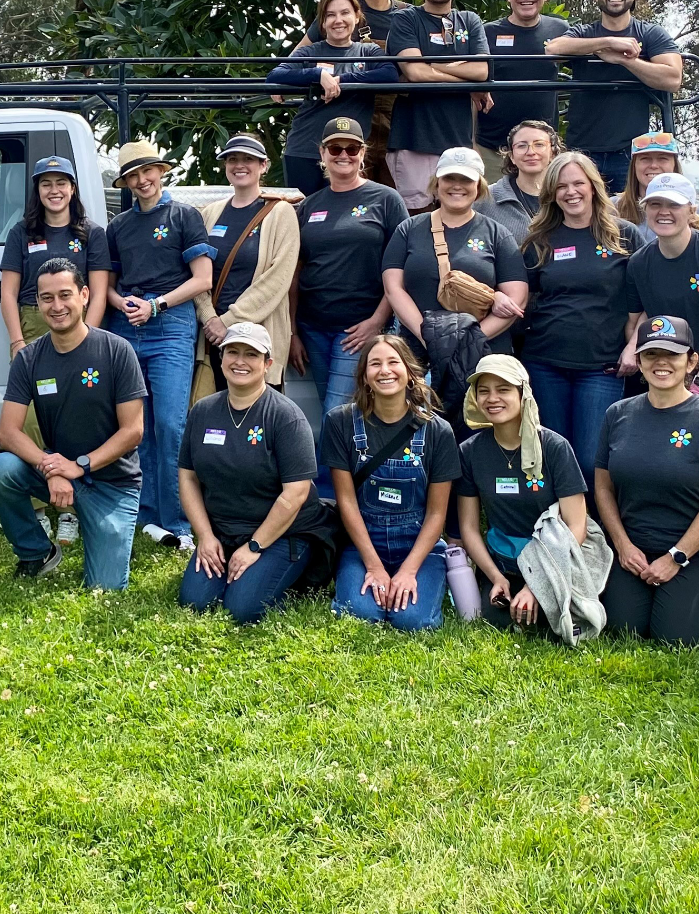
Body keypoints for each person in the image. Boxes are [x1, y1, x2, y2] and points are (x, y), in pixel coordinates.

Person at [0, 260, 145, 589]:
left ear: (84, 295)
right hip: (60, 474)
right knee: (2, 469)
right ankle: (36, 552)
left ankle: (104, 533)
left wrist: (80, 466)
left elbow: (133, 432)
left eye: (65, 295)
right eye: (47, 298)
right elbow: (8, 432)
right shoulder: (29, 359)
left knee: (105, 588)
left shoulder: (117, 351)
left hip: (112, 483)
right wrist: (53, 469)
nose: (57, 306)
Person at [103, 139, 212, 546]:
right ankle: (146, 515)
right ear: (126, 181)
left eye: (147, 171)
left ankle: (180, 521)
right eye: (133, 175)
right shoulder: (118, 226)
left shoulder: (185, 215)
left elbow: (203, 279)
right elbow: (108, 286)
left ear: (162, 171)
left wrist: (157, 305)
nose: (142, 180)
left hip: (170, 324)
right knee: (137, 425)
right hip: (126, 324)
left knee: (170, 423)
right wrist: (122, 302)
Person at [175, 322, 318, 623]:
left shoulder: (286, 417)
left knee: (242, 609)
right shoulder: (202, 411)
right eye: (233, 352)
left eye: (251, 355)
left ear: (267, 364)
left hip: (280, 532)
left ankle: (282, 574)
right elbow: (187, 477)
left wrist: (255, 546)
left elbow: (296, 494)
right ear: (222, 357)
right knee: (195, 602)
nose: (240, 361)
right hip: (222, 531)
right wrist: (204, 536)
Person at [321, 332, 459, 632]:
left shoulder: (438, 431)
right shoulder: (340, 422)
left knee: (412, 621)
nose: (384, 370)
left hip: (419, 547)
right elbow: (346, 501)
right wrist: (373, 565)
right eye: (374, 364)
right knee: (360, 614)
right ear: (364, 376)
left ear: (410, 372)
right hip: (362, 545)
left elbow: (437, 514)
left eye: (393, 362)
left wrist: (409, 571)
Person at [593, 315, 699, 644]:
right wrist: (622, 545)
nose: (661, 362)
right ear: (639, 361)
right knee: (624, 629)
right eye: (650, 354)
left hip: (694, 552)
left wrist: (677, 556)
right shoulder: (617, 414)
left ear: (692, 361)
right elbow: (604, 487)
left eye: (673, 354)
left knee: (676, 637)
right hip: (633, 551)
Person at [455, 356, 594, 633]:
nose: (492, 398)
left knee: (551, 622)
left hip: (553, 559)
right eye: (484, 391)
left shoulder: (555, 447)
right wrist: (495, 577)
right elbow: (469, 528)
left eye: (503, 389)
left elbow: (577, 525)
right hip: (502, 562)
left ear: (523, 393)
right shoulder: (470, 452)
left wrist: (538, 587)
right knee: (498, 620)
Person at [378, 147, 530, 401]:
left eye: (466, 180)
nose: (457, 186)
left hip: (483, 357)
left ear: (479, 186)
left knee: (479, 431)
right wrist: (428, 337)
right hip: (418, 355)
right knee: (420, 434)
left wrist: (468, 342)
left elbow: (517, 299)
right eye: (449, 178)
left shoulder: (497, 233)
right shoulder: (410, 229)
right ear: (436, 184)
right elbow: (393, 287)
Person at [519, 150, 636, 459]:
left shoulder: (623, 235)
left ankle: (591, 511)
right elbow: (523, 299)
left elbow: (646, 299)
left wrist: (633, 346)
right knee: (553, 457)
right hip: (544, 363)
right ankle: (556, 511)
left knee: (589, 459)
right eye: (561, 186)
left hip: (602, 366)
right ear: (551, 194)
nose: (570, 192)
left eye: (577, 183)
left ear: (593, 186)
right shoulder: (538, 240)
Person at [291, 121, 408, 425]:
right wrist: (292, 332)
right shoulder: (308, 205)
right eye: (335, 148)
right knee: (334, 414)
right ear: (323, 153)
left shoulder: (386, 199)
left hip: (359, 329)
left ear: (362, 153)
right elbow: (293, 273)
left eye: (352, 148)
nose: (343, 155)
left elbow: (402, 267)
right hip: (313, 327)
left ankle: (319, 475)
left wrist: (378, 321)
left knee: (335, 415)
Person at [550, 0, 686, 188]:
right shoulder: (584, 33)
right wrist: (607, 42)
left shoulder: (651, 33)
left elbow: (672, 80)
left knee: (629, 220)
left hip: (631, 153)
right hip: (582, 152)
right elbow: (553, 50)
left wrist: (625, 59)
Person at [193, 133, 298, 401]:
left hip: (257, 335)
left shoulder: (280, 213)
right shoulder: (210, 213)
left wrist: (228, 321)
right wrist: (209, 317)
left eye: (248, 159)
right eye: (232, 159)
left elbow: (278, 279)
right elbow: (195, 272)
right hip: (214, 338)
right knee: (215, 417)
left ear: (263, 165)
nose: (240, 165)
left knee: (258, 421)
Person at [379, 0, 487, 208]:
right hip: (413, 138)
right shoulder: (406, 19)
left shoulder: (470, 20)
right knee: (417, 220)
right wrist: (464, 73)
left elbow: (482, 71)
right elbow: (415, 73)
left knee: (459, 217)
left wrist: (432, 63)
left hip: (458, 142)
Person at [269, 0, 395, 194]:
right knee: (302, 215)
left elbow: (389, 74)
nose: (338, 20)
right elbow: (276, 75)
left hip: (347, 153)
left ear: (356, 17)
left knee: (342, 214)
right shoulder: (311, 52)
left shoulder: (368, 51)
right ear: (323, 23)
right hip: (304, 149)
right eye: (331, 15)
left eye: (345, 13)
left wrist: (341, 80)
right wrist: (318, 75)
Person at [0, 155, 112, 356]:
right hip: (33, 325)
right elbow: (8, 293)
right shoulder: (20, 232)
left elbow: (98, 295)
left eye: (61, 183)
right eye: (46, 184)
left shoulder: (93, 233)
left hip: (80, 323)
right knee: (37, 387)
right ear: (38, 190)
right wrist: (17, 343)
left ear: (72, 189)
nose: (54, 191)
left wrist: (87, 338)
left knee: (79, 387)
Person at [615, 173, 699, 390]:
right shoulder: (639, 263)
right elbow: (636, 324)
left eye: (674, 204)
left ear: (691, 210)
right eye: (655, 204)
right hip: (668, 377)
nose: (663, 211)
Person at [475, 0, 569, 181]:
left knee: (543, 210)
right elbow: (472, 84)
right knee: (493, 208)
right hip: (492, 148)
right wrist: (472, 143)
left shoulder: (561, 30)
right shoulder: (487, 32)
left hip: (543, 148)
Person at [614, 129, 699, 235]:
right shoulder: (612, 208)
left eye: (662, 159)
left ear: (674, 165)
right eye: (645, 159)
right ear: (634, 166)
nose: (653, 165)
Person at [485, 119, 556, 231]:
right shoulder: (487, 198)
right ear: (511, 156)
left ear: (553, 153)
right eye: (521, 146)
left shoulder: (568, 194)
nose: (531, 152)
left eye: (539, 144)